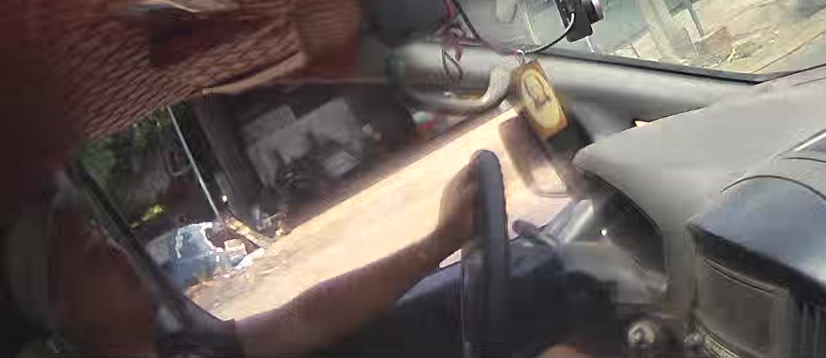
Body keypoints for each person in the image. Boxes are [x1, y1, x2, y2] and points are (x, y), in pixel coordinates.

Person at [2, 168, 477, 357]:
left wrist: (435, 245)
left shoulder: (189, 348)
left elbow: (304, 319)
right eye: (91, 254)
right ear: (64, 312)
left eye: (106, 237)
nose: (116, 253)